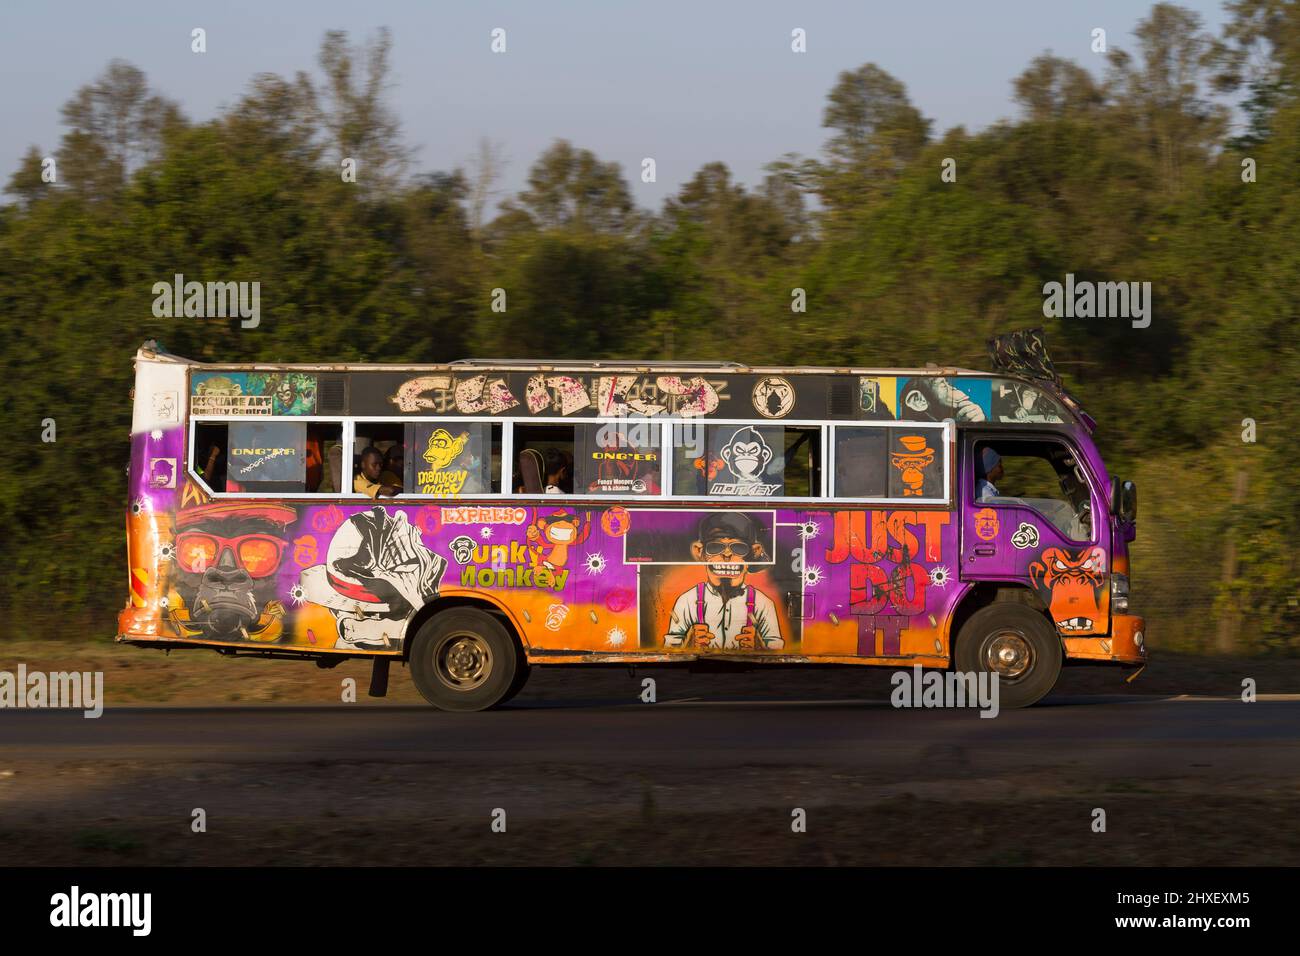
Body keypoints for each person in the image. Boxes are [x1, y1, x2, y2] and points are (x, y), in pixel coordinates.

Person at [663, 512, 784, 650]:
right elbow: (669, 648)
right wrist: (688, 643)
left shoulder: (763, 604)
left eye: (738, 547)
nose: (727, 555)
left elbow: (777, 649)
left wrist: (760, 645)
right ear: (699, 552)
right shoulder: (687, 601)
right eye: (715, 547)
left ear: (754, 552)